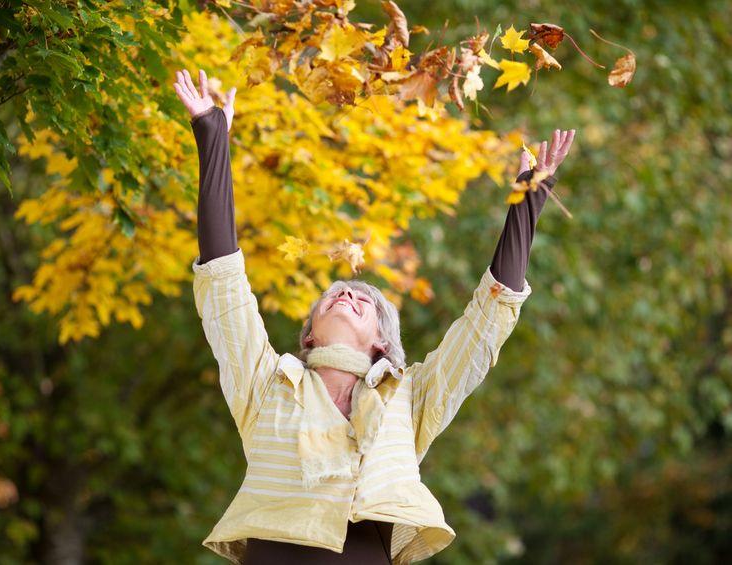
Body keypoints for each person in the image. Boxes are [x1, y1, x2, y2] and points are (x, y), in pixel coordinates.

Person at [174, 68, 575, 564]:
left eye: (363, 300)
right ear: (309, 333)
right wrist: (213, 137)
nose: (346, 295)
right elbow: (224, 285)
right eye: (335, 293)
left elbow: (484, 322)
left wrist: (529, 198)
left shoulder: (409, 399)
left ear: (382, 343)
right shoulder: (265, 384)